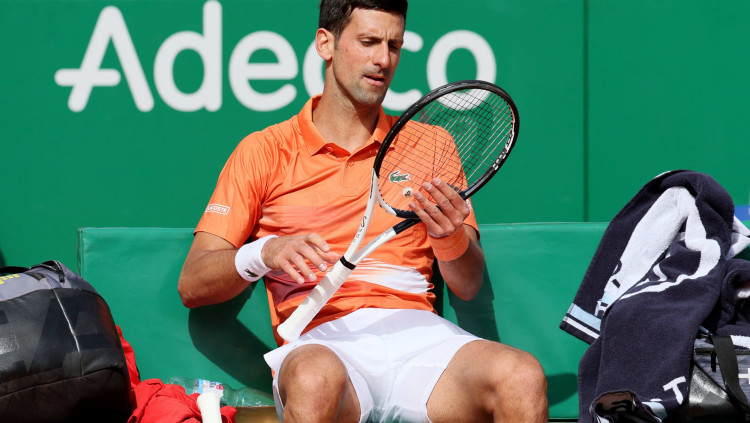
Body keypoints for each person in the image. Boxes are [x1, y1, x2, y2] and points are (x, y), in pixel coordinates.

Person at [178, 0, 548, 421]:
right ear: (326, 44)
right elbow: (193, 283)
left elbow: (467, 284)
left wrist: (449, 238)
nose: (383, 60)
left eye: (394, 45)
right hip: (322, 345)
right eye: (368, 41)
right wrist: (265, 252)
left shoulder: (433, 145)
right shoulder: (262, 151)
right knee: (313, 379)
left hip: (421, 342)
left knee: (522, 376)